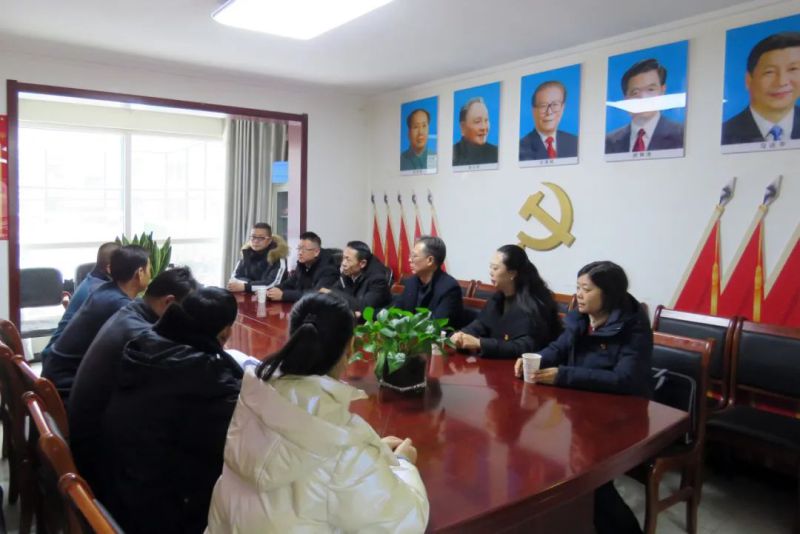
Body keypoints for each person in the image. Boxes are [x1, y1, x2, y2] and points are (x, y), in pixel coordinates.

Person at [206, 293, 429, 533]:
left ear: (293, 337)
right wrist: (403, 464)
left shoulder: (254, 397)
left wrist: (372, 455)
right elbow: (407, 522)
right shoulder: (343, 443)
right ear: (350, 348)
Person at [513, 260, 652, 534]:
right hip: (583, 407)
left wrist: (563, 375)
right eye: (577, 288)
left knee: (590, 477)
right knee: (551, 456)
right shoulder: (581, 316)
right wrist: (537, 359)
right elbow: (560, 347)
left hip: (623, 414)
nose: (578, 295)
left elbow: (625, 379)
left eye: (586, 290)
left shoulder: (633, 325)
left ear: (609, 293)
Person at [99, 287, 243, 534]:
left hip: (117, 487)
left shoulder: (144, 342)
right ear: (226, 332)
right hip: (158, 512)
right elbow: (235, 435)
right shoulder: (201, 375)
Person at [68, 267, 199, 489]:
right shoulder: (140, 336)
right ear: (168, 302)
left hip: (87, 433)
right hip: (98, 459)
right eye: (186, 312)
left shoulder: (130, 311)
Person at [42, 245, 151, 396]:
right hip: (67, 387)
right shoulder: (119, 305)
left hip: (56, 375)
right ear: (140, 273)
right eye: (149, 269)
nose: (150, 274)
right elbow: (147, 344)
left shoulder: (104, 290)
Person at [451, 245, 562, 358]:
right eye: (490, 267)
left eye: (495, 268)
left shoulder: (533, 304)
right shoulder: (497, 298)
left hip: (520, 366)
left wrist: (480, 344)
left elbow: (524, 347)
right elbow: (481, 325)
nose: (491, 272)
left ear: (512, 273)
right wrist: (461, 335)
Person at [40, 242, 120, 361]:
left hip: (54, 355)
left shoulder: (91, 280)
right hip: (60, 362)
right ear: (109, 268)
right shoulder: (99, 291)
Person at [722, 32, 800, 144]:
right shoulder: (725, 134)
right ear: (748, 80)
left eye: (793, 69)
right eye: (769, 72)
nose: (782, 82)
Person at [605, 59, 684, 153]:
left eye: (650, 89)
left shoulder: (681, 133)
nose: (643, 97)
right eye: (635, 92)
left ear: (662, 91)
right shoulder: (609, 140)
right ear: (625, 99)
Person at [394, 235, 463, 328]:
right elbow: (397, 312)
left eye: (414, 256)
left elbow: (437, 325)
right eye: (410, 256)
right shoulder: (411, 282)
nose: (409, 260)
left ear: (430, 260)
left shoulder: (449, 288)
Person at [267, 231, 339, 302]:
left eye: (304, 249)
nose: (300, 252)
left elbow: (317, 294)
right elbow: (290, 283)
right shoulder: (303, 263)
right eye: (299, 248)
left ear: (316, 252)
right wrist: (272, 291)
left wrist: (284, 295)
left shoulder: (329, 269)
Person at [322, 240, 391, 314]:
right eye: (343, 258)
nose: (343, 263)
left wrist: (333, 294)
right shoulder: (349, 271)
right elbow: (335, 290)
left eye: (348, 259)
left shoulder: (378, 279)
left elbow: (364, 307)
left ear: (362, 263)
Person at [519, 80, 578, 160]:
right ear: (533, 110)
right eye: (543, 106)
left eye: (555, 104)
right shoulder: (520, 148)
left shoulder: (575, 142)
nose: (549, 112)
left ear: (562, 108)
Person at [226, 222, 289, 293]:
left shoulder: (278, 257)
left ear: (269, 240)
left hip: (268, 298)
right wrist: (250, 285)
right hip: (246, 296)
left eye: (261, 238)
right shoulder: (246, 254)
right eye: (253, 237)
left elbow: (273, 284)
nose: (256, 241)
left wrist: (246, 286)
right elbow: (234, 278)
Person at [452, 97, 499, 166]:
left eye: (486, 120)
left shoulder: (496, 153)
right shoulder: (452, 153)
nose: (484, 127)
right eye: (477, 121)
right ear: (463, 127)